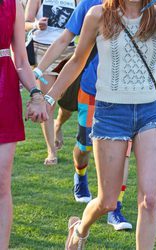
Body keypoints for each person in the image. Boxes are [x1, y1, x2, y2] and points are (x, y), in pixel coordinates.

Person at [41, 0, 156, 248]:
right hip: (111, 113)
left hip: (150, 112)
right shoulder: (98, 14)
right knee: (108, 202)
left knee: (149, 199)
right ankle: (79, 228)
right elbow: (77, 60)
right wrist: (51, 97)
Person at [35, 0, 133, 231]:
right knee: (85, 147)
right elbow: (64, 40)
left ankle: (115, 209)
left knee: (123, 151)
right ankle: (80, 175)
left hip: (125, 94)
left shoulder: (139, 5)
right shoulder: (91, 5)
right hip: (91, 88)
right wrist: (39, 71)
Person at [0, 0, 48, 248]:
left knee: (1, 180)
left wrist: (36, 94)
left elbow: (20, 60)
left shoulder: (12, 5)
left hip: (3, 93)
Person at [25, 0, 79, 165]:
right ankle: (51, 151)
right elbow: (25, 22)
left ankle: (59, 124)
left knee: (69, 104)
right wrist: (35, 24)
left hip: (69, 52)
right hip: (43, 51)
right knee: (48, 102)